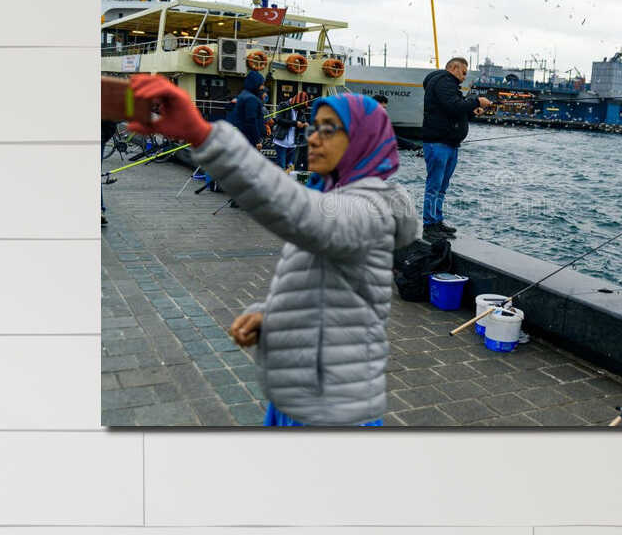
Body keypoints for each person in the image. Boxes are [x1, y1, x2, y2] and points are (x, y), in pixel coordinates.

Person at [124, 73, 419, 427]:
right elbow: (327, 290)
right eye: (313, 127)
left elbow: (302, 214)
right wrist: (271, 316)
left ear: (363, 140)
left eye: (329, 129)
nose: (312, 138)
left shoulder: (373, 209)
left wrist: (203, 134)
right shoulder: (332, 197)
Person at [417, 56, 492, 238]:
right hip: (438, 142)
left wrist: (473, 111)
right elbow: (452, 106)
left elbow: (455, 111)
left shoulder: (449, 85)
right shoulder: (444, 81)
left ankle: (437, 220)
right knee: (435, 184)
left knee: (442, 185)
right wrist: (476, 101)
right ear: (454, 68)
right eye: (464, 72)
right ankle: (429, 224)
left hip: (449, 143)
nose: (465, 77)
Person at [197, 70, 267, 198]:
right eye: (262, 84)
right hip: (249, 140)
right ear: (256, 84)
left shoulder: (242, 95)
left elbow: (231, 110)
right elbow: (251, 121)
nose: (263, 87)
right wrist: (257, 140)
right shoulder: (251, 99)